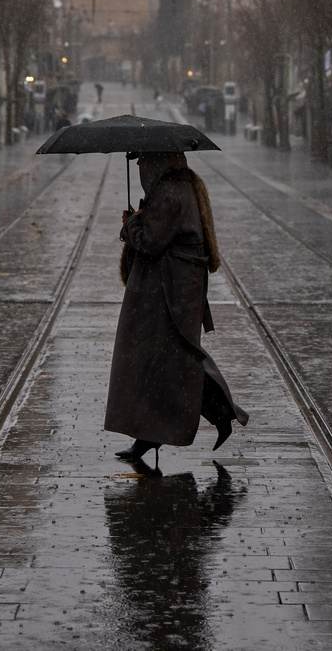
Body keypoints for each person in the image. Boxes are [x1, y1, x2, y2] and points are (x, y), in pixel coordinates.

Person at [105, 152, 249, 463]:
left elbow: (152, 242)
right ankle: (149, 436)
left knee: (171, 361)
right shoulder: (175, 188)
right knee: (165, 362)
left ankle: (222, 413)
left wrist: (131, 226)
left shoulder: (170, 193)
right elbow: (162, 233)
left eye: (144, 161)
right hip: (172, 290)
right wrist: (141, 219)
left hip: (170, 294)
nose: (141, 166)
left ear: (159, 162)